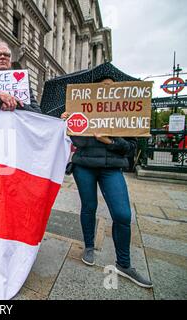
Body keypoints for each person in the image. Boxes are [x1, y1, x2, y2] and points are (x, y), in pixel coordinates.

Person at [61, 78, 153, 288]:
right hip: (84, 166)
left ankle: (124, 264)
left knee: (122, 214)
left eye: (111, 88)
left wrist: (110, 141)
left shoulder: (124, 116)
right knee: (89, 207)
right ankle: (89, 247)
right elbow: (75, 142)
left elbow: (130, 147)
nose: (106, 92)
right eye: (102, 88)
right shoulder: (81, 112)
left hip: (112, 168)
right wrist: (68, 123)